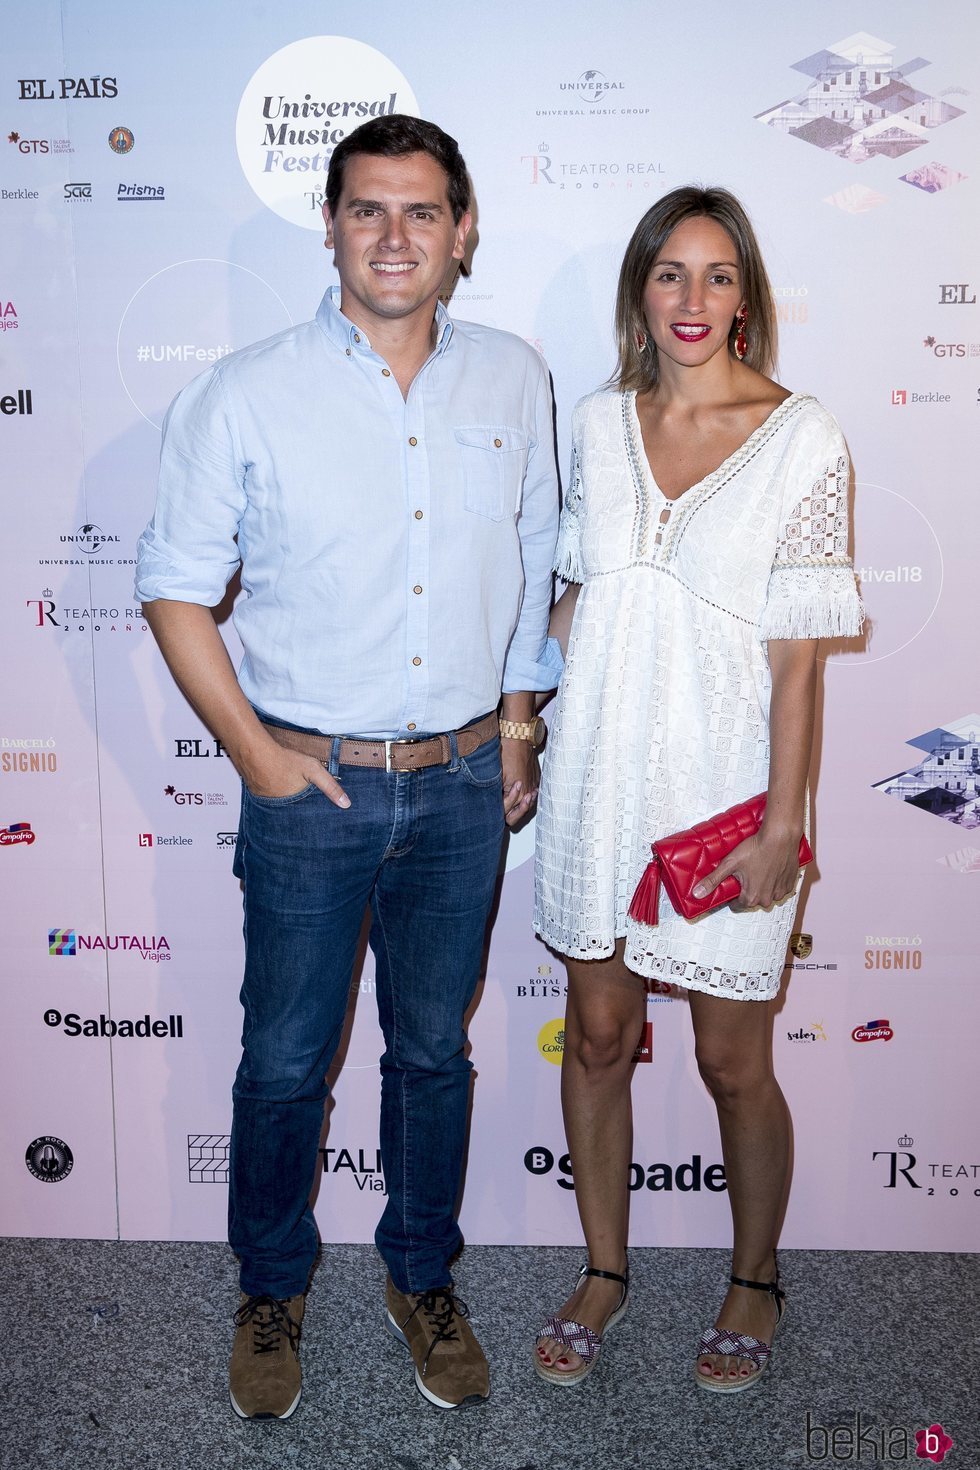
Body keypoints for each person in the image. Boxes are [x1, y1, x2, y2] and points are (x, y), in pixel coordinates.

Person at [135, 114, 559, 1419]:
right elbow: (171, 588)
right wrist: (257, 757)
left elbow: (539, 549)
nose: (394, 236)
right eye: (367, 209)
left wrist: (522, 720)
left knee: (433, 1054)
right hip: (308, 793)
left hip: (459, 787)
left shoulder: (513, 377)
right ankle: (272, 1283)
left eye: (421, 211)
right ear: (329, 224)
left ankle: (421, 1270)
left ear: (464, 229)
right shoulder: (245, 389)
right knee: (283, 1062)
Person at [532, 186, 863, 1392]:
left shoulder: (801, 435)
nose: (692, 300)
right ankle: (605, 1269)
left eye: (717, 276)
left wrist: (786, 822)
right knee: (601, 1037)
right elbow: (571, 602)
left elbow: (795, 660)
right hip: (597, 780)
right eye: (669, 274)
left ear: (747, 297)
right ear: (638, 293)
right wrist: (518, 720)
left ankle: (752, 1276)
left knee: (732, 1060)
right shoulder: (597, 424)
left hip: (725, 798)